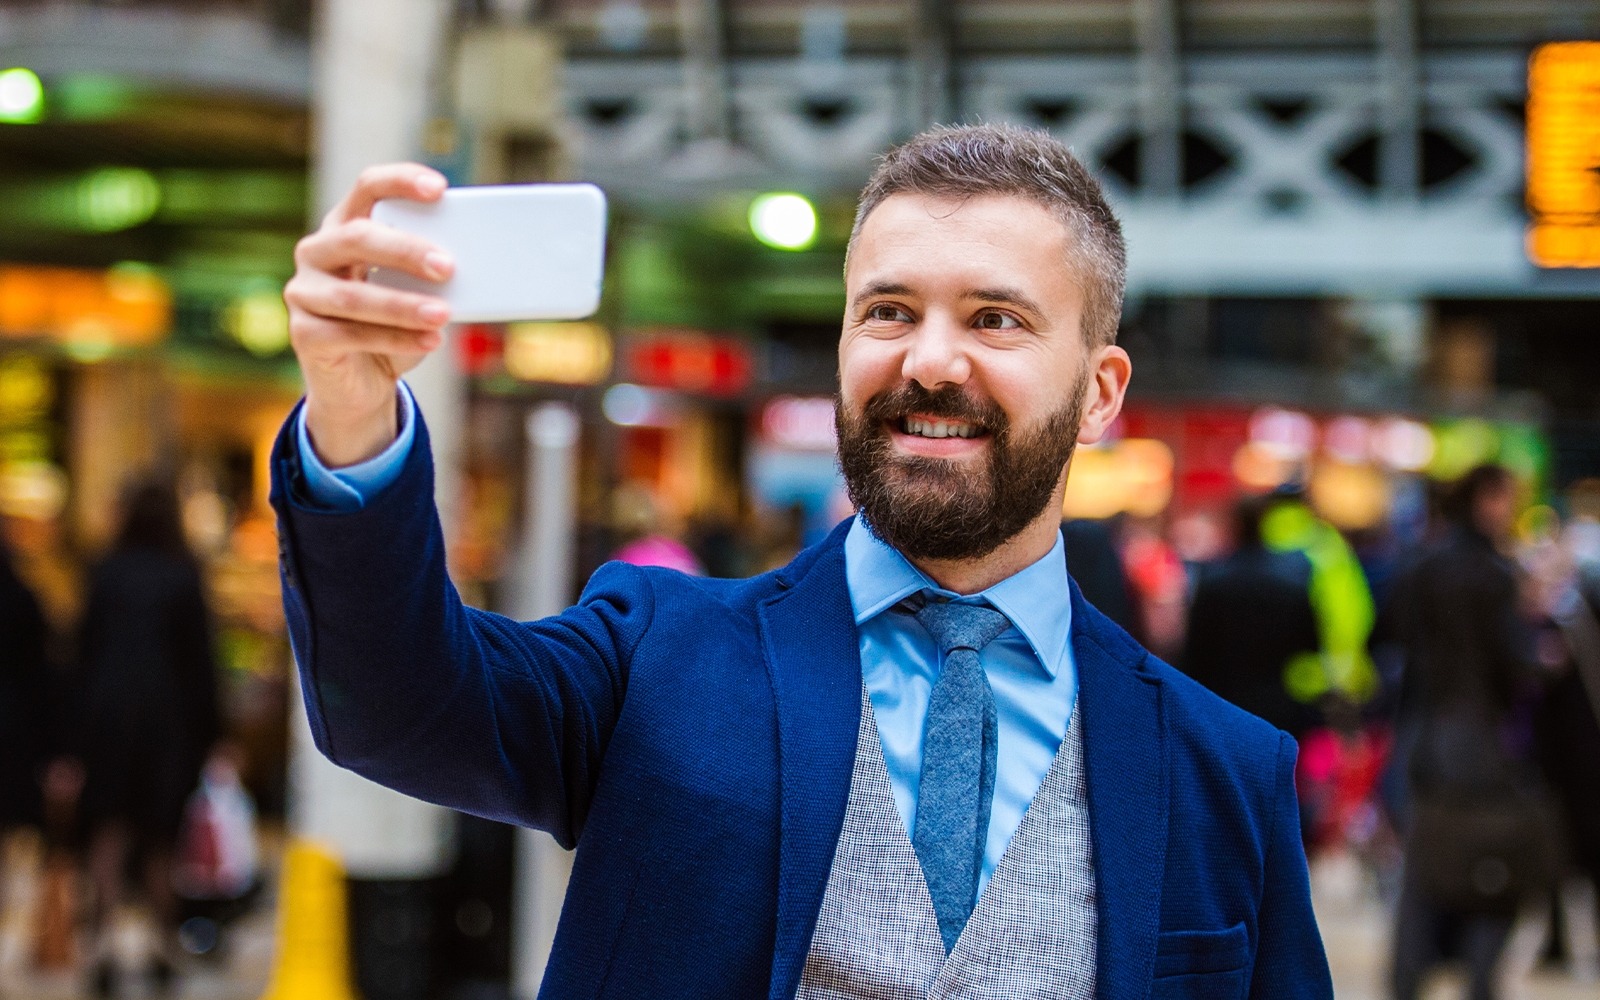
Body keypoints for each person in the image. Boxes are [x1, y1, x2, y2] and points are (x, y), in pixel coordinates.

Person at [275, 125, 1332, 998]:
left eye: (994, 318)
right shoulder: (657, 654)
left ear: (1099, 391)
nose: (927, 360)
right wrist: (355, 410)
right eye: (887, 310)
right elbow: (395, 705)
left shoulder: (1226, 773)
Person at [1385, 465, 1554, 1000]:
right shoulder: (1494, 572)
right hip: (1479, 742)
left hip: (1422, 735)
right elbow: (1514, 664)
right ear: (1488, 498)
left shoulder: (1422, 563)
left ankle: (1408, 977)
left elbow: (1389, 640)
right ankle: (1480, 980)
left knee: (1423, 868)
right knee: (1488, 867)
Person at [72, 480, 221, 996]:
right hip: (165, 719)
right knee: (161, 839)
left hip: (107, 716)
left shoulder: (104, 571)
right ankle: (163, 949)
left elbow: (81, 652)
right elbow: (200, 662)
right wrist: (214, 735)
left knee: (108, 835)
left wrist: (71, 738)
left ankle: (101, 949)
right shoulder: (183, 573)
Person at [1183, 496, 1320, 739]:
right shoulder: (1291, 583)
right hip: (1278, 704)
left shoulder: (1214, 584)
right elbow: (1310, 645)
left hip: (1223, 703)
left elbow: (1195, 652)